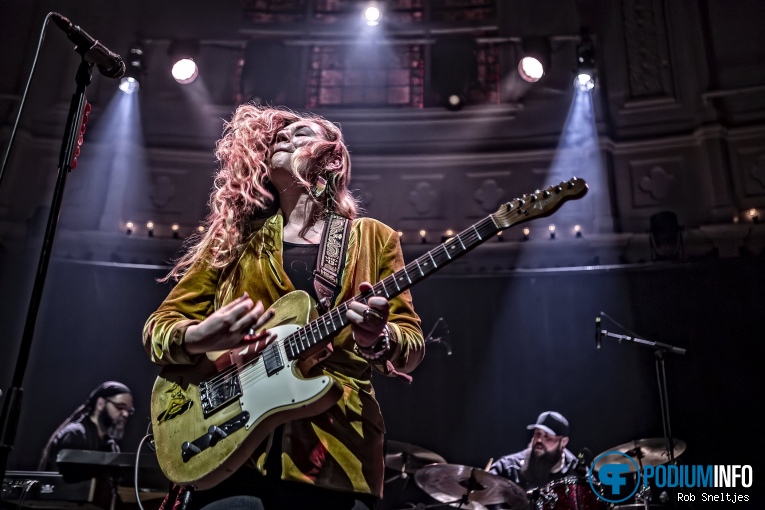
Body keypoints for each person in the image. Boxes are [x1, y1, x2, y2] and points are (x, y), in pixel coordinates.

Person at [142, 104, 424, 510]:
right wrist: (199, 335)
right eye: (279, 136)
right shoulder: (237, 240)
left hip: (334, 456)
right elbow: (158, 328)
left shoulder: (373, 238)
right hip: (228, 452)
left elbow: (411, 344)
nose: (285, 137)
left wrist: (378, 340)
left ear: (333, 157)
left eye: (302, 134)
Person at [39, 381, 134, 471]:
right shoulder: (75, 434)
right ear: (101, 403)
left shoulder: (111, 446)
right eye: (120, 407)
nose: (126, 414)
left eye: (129, 411)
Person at [489, 411, 577, 492]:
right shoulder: (508, 468)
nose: (539, 440)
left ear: (563, 442)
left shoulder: (577, 471)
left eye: (547, 437)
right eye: (537, 433)